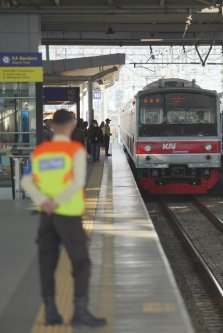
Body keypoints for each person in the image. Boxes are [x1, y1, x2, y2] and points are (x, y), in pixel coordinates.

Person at [21, 109, 106, 327]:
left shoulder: (40, 152)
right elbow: (77, 182)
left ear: (52, 126)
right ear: (70, 126)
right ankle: (79, 313)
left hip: (46, 216)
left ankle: (50, 311)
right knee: (81, 263)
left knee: (47, 262)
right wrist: (57, 202)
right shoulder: (74, 150)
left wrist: (45, 202)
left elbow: (27, 182)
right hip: (67, 215)